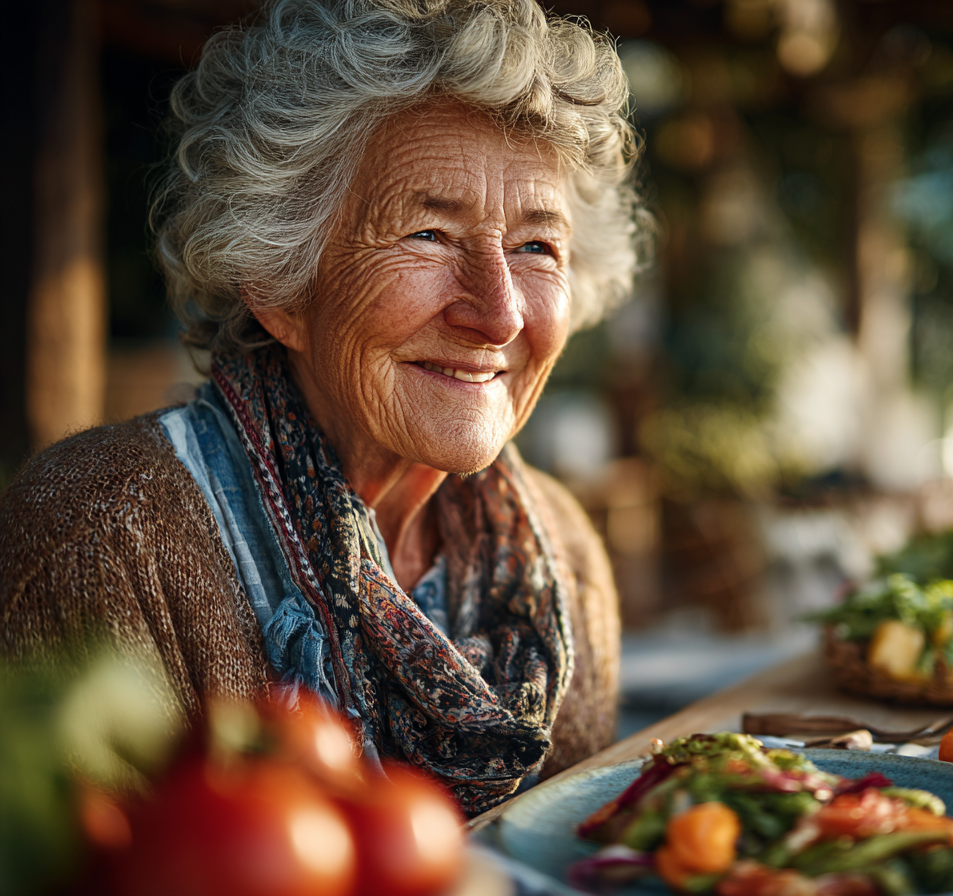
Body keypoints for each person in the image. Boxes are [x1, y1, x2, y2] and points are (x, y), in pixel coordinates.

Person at [0, 0, 645, 815]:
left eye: (536, 247)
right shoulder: (101, 540)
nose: (500, 314)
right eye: (428, 235)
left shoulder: (562, 558)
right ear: (279, 284)